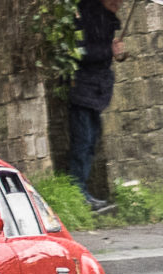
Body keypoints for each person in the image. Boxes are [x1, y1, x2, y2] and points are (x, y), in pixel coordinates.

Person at [68, 0, 126, 211]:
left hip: (96, 91)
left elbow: (101, 54)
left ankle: (82, 191)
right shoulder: (86, 15)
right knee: (82, 142)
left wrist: (117, 53)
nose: (119, 3)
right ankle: (77, 192)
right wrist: (108, 50)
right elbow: (79, 52)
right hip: (82, 89)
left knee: (90, 142)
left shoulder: (106, 18)